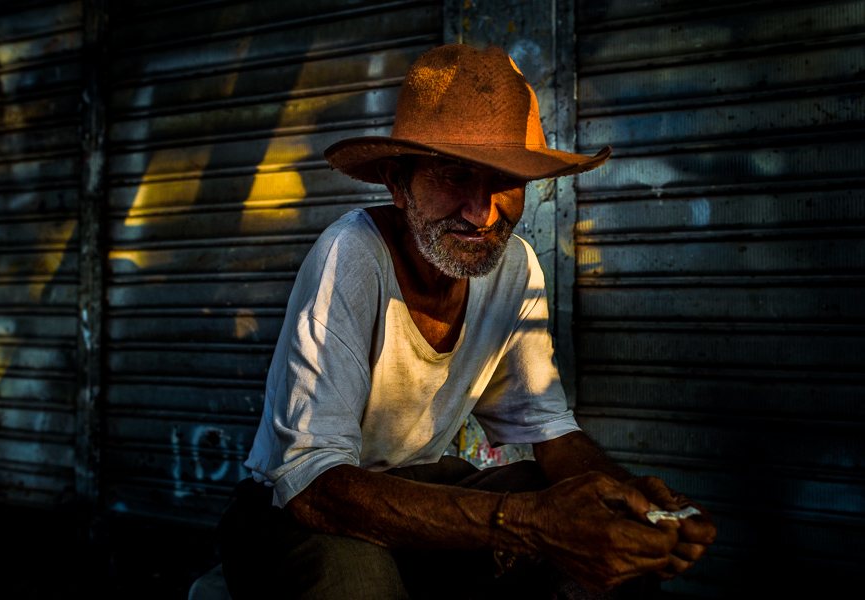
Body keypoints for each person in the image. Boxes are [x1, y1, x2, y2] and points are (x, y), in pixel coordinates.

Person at [217, 44, 716, 600]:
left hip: (415, 491)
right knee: (359, 584)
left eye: (505, 181)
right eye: (455, 176)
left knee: (594, 516)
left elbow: (548, 431)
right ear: (398, 182)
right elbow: (313, 485)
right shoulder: (351, 256)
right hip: (298, 504)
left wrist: (639, 504)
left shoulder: (516, 269)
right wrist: (526, 521)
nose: (482, 213)